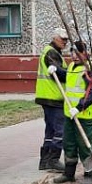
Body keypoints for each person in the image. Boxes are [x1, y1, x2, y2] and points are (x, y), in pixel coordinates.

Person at [54, 41, 92, 184]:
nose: (74, 56)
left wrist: (79, 107)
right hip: (70, 115)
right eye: (72, 53)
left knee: (85, 146)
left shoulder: (90, 70)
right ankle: (69, 174)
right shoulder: (71, 67)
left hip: (85, 116)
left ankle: (89, 175)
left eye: (77, 53)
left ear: (85, 53)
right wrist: (55, 70)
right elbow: (67, 77)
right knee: (69, 144)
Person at [35, 28, 69, 171]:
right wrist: (73, 74)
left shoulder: (54, 52)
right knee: (59, 131)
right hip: (52, 97)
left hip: (47, 96)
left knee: (50, 130)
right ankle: (54, 160)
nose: (65, 42)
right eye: (63, 39)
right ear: (55, 38)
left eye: (66, 40)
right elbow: (60, 74)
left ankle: (44, 161)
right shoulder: (51, 52)